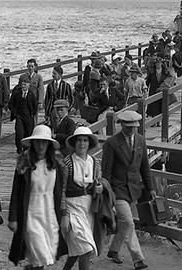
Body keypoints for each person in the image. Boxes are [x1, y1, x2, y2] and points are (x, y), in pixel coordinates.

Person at [101, 111, 155, 270]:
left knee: (125, 223)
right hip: (117, 190)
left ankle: (113, 250)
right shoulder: (111, 143)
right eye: (128, 126)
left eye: (134, 127)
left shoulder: (141, 141)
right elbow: (106, 171)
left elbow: (145, 167)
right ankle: (138, 258)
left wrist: (150, 188)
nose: (132, 130)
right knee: (129, 222)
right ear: (121, 124)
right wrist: (107, 194)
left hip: (134, 189)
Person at [8, 125, 65, 269]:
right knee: (39, 251)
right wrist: (13, 218)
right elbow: (16, 192)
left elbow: (60, 191)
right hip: (30, 212)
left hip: (49, 213)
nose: (41, 145)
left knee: (46, 253)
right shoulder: (24, 163)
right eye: (38, 142)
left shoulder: (56, 164)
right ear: (33, 143)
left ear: (49, 144)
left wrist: (64, 213)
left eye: (44, 142)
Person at [60, 127, 103, 270]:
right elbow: (62, 191)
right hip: (72, 207)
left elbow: (99, 181)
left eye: (85, 140)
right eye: (79, 140)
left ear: (89, 143)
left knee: (77, 248)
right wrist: (64, 215)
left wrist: (99, 188)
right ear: (74, 143)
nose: (82, 144)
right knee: (85, 248)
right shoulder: (67, 163)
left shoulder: (95, 162)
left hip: (88, 208)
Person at [9, 74, 39, 154]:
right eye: (22, 84)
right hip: (19, 116)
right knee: (19, 132)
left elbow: (35, 105)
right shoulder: (16, 93)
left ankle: (27, 149)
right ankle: (19, 149)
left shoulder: (31, 94)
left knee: (28, 132)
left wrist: (32, 113)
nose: (23, 86)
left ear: (29, 85)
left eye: (25, 85)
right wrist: (14, 112)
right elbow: (11, 103)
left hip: (28, 116)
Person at [20, 58, 45, 124]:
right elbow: (19, 89)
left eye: (32, 66)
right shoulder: (22, 77)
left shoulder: (38, 77)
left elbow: (41, 89)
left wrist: (40, 102)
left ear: (35, 67)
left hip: (34, 101)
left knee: (34, 118)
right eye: (29, 66)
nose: (30, 68)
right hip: (25, 100)